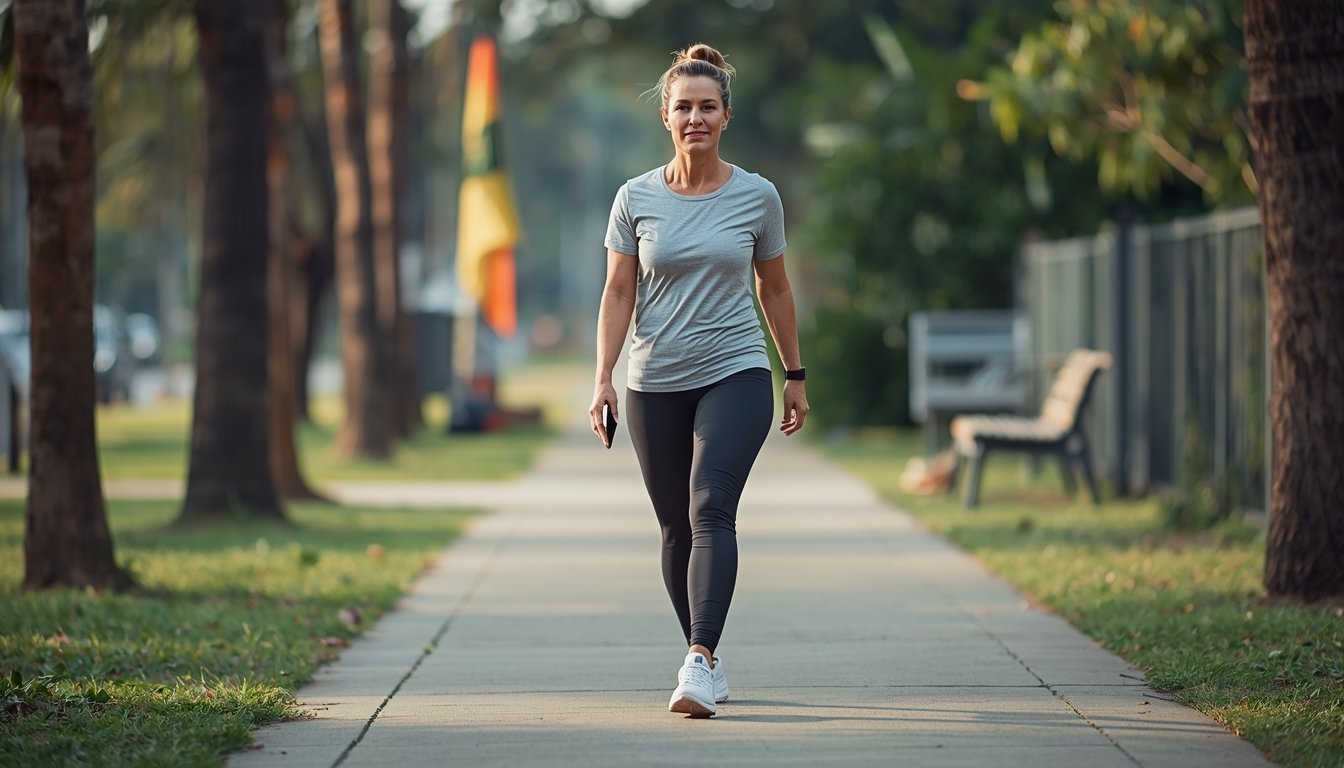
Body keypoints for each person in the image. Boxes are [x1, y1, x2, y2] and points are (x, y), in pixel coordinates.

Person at [589, 42, 809, 718]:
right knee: (673, 530)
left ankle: (700, 659)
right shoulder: (635, 197)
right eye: (683, 107)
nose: (695, 118)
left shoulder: (757, 196)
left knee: (710, 503)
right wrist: (602, 378)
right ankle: (701, 651)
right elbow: (619, 291)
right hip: (653, 380)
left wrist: (793, 373)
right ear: (665, 116)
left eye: (707, 107)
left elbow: (774, 289)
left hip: (735, 370)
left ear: (726, 116)